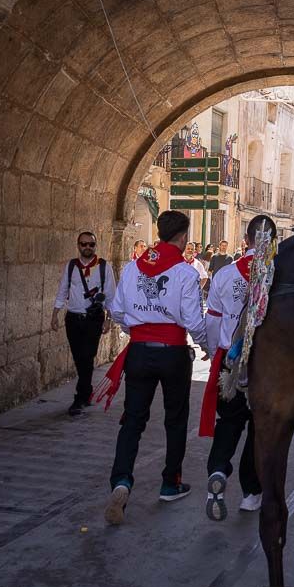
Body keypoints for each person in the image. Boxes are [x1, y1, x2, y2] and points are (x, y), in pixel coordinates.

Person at [101, 211, 210, 525]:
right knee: (175, 419)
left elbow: (118, 310)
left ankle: (121, 481)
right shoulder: (185, 273)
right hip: (173, 352)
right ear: (182, 237)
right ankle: (170, 483)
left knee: (132, 419)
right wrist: (207, 347)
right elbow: (192, 320)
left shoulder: (134, 268)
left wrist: (135, 330)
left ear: (161, 233)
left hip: (138, 351)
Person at [201, 217, 275, 521]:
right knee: (258, 429)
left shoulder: (225, 274)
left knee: (229, 423)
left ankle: (218, 471)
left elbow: (214, 320)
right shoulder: (277, 276)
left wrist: (214, 353)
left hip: (230, 362)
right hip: (265, 367)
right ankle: (250, 492)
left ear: (246, 239)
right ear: (271, 242)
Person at [51, 231, 117, 416]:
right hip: (73, 317)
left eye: (91, 244)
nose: (87, 247)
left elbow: (111, 296)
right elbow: (63, 289)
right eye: (83, 244)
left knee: (87, 356)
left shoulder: (104, 267)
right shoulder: (71, 266)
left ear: (95, 246)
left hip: (93, 319)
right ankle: (86, 391)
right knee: (79, 357)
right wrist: (55, 313)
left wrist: (109, 320)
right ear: (78, 245)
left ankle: (79, 398)